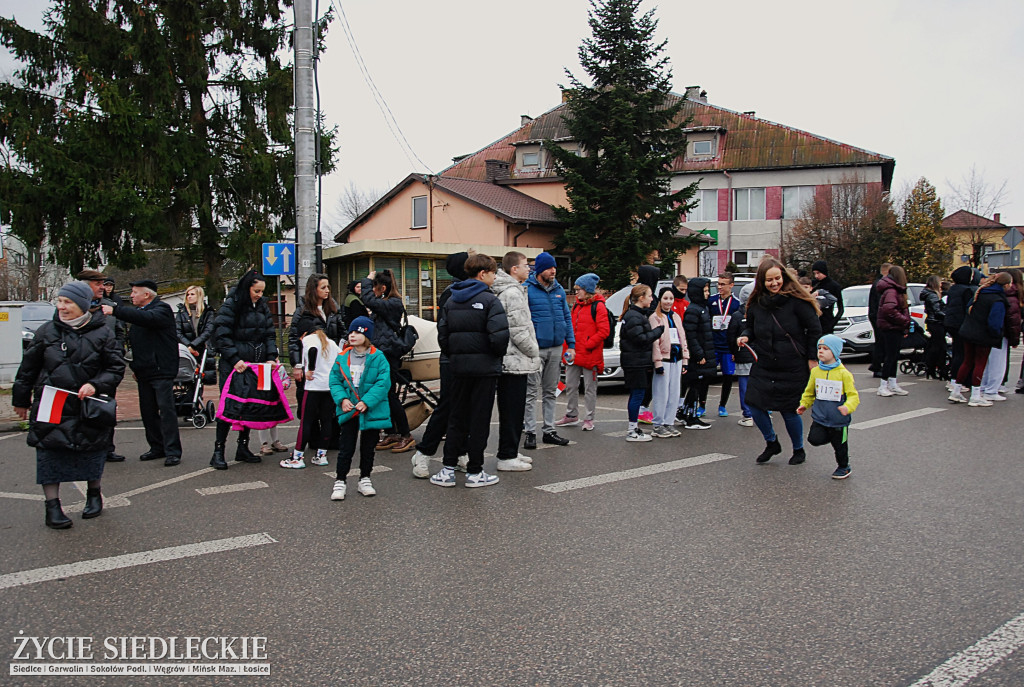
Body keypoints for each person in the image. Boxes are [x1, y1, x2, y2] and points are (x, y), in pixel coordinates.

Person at [13, 281, 126, 528]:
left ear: (83, 306)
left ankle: (94, 495)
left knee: (92, 450)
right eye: (60, 301)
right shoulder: (46, 332)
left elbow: (116, 367)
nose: (62, 307)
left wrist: (96, 384)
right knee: (49, 452)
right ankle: (52, 507)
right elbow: (28, 369)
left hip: (89, 404)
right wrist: (20, 400)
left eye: (68, 302)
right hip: (53, 402)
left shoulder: (102, 332)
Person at [429, 254, 509, 488]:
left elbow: (442, 335)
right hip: (485, 369)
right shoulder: (490, 300)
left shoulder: (452, 300)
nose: (495, 277)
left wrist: (455, 355)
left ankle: (447, 469)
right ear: (483, 274)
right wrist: (494, 356)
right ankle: (475, 471)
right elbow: (500, 337)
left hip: (458, 368)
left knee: (457, 417)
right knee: (479, 420)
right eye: (493, 273)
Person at [737, 257, 822, 465]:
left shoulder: (797, 302)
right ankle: (771, 442)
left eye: (777, 278)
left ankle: (798, 449)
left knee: (789, 410)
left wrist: (812, 358)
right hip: (765, 363)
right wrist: (746, 335)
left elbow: (814, 330)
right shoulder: (757, 304)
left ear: (783, 277)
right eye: (769, 280)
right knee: (754, 405)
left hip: (792, 364)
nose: (774, 283)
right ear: (761, 282)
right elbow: (751, 326)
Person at [101, 279, 182, 467]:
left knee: (166, 411)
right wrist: (135, 367)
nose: (131, 296)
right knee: (148, 411)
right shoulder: (139, 314)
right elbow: (137, 343)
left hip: (161, 369)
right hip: (144, 370)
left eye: (134, 292)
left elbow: (149, 320)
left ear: (147, 295)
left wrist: (116, 310)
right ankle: (156, 446)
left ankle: (172, 451)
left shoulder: (161, 310)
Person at [209, 270, 278, 469]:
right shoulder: (231, 304)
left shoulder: (262, 306)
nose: (259, 295)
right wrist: (234, 358)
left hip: (256, 365)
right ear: (247, 287)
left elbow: (269, 334)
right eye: (256, 291)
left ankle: (243, 447)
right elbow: (221, 334)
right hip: (235, 365)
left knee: (251, 405)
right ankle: (218, 451)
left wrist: (271, 356)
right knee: (229, 406)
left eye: (261, 291)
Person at [411, 252, 471, 477]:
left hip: (468, 358)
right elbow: (446, 331)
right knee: (447, 407)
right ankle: (423, 454)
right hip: (452, 358)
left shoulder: (475, 291)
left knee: (464, 409)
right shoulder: (451, 294)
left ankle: (459, 452)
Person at [328, 317, 392, 500]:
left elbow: (383, 383)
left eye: (358, 332)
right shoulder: (342, 357)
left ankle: (365, 478)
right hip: (349, 409)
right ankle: (340, 481)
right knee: (346, 447)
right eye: (351, 332)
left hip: (370, 409)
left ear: (367, 335)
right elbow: (335, 381)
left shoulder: (378, 357)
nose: (353, 335)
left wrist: (367, 402)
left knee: (368, 447)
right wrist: (341, 400)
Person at [491, 251, 540, 471]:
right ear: (514, 269)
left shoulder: (512, 289)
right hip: (514, 360)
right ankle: (506, 456)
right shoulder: (511, 292)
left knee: (514, 409)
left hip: (512, 359)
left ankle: (510, 450)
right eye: (525, 265)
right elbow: (518, 329)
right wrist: (534, 351)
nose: (529, 268)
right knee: (512, 409)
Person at [360, 269, 416, 454]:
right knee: (385, 395)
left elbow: (368, 300)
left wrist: (366, 281)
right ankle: (392, 432)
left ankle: (406, 435)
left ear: (382, 288)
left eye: (374, 288)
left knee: (390, 396)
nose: (372, 291)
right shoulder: (386, 303)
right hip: (382, 353)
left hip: (388, 355)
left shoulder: (392, 303)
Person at [523, 251, 574, 449]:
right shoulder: (526, 289)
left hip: (555, 348)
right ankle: (529, 431)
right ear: (540, 270)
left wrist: (571, 344)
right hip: (535, 349)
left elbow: (566, 317)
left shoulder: (559, 290)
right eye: (549, 268)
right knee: (530, 392)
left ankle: (549, 430)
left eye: (554, 268)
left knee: (550, 392)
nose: (553, 271)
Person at [77, 269, 126, 463]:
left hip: (105, 369)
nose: (103, 287)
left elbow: (119, 331)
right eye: (98, 284)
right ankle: (80, 446)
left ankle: (106, 447)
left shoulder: (109, 307)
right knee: (78, 410)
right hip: (80, 368)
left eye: (104, 283)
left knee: (105, 408)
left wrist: (118, 352)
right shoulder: (72, 307)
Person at [797, 334, 860, 480]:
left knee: (840, 448)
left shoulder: (844, 374)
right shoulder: (815, 372)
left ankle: (844, 467)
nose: (821, 351)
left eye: (826, 349)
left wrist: (847, 407)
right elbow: (809, 392)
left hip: (838, 419)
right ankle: (831, 437)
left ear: (835, 352)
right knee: (814, 439)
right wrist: (804, 404)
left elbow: (853, 396)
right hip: (820, 417)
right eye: (819, 348)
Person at [555, 273, 609, 432]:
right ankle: (571, 414)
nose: (576, 292)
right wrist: (567, 348)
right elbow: (570, 328)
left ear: (587, 290)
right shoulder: (577, 306)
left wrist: (588, 344)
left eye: (579, 289)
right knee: (571, 385)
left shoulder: (598, 306)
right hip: (575, 354)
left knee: (590, 388)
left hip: (590, 354)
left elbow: (604, 331)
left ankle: (589, 418)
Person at [282, 326, 341, 469]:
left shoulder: (309, 339)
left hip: (313, 386)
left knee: (306, 421)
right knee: (326, 420)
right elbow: (342, 356)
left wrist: (311, 369)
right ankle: (321, 455)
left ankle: (297, 456)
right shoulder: (331, 343)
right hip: (328, 386)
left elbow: (312, 350)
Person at [950, 272, 1010, 407]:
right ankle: (975, 396)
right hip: (983, 335)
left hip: (968, 331)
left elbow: (969, 308)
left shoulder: (980, 292)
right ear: (1006, 285)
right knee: (980, 363)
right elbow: (995, 322)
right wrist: (996, 335)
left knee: (967, 361)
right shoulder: (998, 299)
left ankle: (956, 391)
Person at [618, 284, 664, 442]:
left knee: (638, 394)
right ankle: (631, 430)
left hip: (637, 360)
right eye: (650, 296)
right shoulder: (633, 316)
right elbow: (640, 339)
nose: (652, 299)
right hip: (635, 361)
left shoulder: (637, 315)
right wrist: (658, 331)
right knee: (637, 394)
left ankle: (634, 427)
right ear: (641, 297)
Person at [288, 273, 341, 399]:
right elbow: (294, 338)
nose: (327, 291)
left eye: (328, 287)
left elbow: (341, 332)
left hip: (330, 363)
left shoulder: (333, 309)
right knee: (308, 403)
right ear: (313, 289)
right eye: (323, 288)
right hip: (310, 365)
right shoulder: (302, 311)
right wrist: (297, 365)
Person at [649, 286, 687, 438]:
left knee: (674, 393)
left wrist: (685, 359)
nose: (668, 302)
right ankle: (658, 423)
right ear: (660, 299)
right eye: (665, 298)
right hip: (664, 359)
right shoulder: (655, 317)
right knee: (661, 393)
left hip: (676, 359)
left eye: (671, 299)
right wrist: (657, 363)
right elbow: (655, 342)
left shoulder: (676, 316)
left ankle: (669, 422)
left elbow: (682, 338)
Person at [679, 277, 716, 430]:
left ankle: (686, 413)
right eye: (705, 291)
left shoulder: (702, 309)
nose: (707, 294)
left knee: (697, 384)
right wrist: (699, 354)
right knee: (695, 385)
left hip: (703, 351)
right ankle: (692, 417)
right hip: (697, 356)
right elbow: (691, 334)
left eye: (708, 291)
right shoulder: (694, 310)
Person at [978, 270, 1021, 400]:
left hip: (985, 332)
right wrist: (1015, 339)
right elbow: (1013, 320)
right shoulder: (1009, 296)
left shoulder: (985, 291)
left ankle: (984, 387)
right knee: (998, 363)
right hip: (1000, 333)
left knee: (987, 362)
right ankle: (991, 390)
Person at [707, 272, 742, 418]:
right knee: (707, 375)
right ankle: (702, 405)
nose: (719, 287)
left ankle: (722, 405)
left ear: (731, 285)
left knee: (727, 376)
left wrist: (735, 348)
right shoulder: (712, 301)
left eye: (723, 284)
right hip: (713, 344)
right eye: (718, 284)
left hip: (728, 346)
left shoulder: (736, 304)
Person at [875, 265, 912, 397]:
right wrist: (904, 320)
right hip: (891, 327)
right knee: (891, 356)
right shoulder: (892, 291)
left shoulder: (892, 290)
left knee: (894, 355)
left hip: (892, 326)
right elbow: (889, 310)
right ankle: (883, 384)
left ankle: (892, 382)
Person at [944, 266, 982, 384]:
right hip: (962, 323)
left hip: (952, 323)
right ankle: (959, 380)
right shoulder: (968, 290)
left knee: (957, 352)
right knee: (964, 354)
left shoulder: (953, 289)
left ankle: (953, 379)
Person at [729, 282, 756, 426]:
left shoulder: (737, 315)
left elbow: (731, 335)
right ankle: (755, 412)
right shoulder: (754, 313)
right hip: (752, 354)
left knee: (745, 384)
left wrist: (733, 351)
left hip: (744, 354)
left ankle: (748, 414)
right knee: (752, 384)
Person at [867, 262, 892, 380]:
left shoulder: (878, 283)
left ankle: (877, 365)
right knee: (881, 342)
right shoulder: (881, 285)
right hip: (879, 316)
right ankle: (877, 366)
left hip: (876, 316)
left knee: (880, 342)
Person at [920, 275, 946, 380]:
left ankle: (931, 368)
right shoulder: (933, 295)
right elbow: (937, 310)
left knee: (934, 346)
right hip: (937, 322)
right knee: (940, 347)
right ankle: (938, 368)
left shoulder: (928, 294)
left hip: (932, 322)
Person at [810, 261, 844, 335]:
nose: (816, 276)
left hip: (827, 321)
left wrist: (832, 323)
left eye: (818, 273)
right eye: (814, 273)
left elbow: (841, 308)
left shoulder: (834, 286)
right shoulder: (813, 284)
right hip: (814, 322)